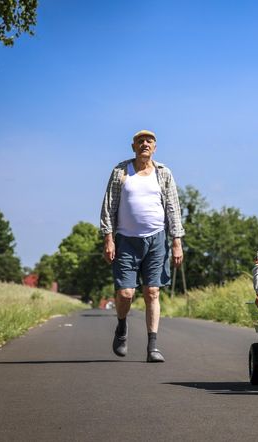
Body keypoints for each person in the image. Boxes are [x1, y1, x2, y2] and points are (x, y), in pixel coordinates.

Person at [100, 129, 185, 363]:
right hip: (126, 240)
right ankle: (121, 326)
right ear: (133, 147)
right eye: (140, 141)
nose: (145, 144)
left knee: (152, 292)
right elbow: (109, 206)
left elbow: (173, 209)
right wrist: (108, 238)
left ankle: (152, 346)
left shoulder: (163, 173)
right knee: (126, 293)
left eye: (149, 141)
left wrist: (176, 242)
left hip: (157, 239)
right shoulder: (120, 172)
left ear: (155, 148)